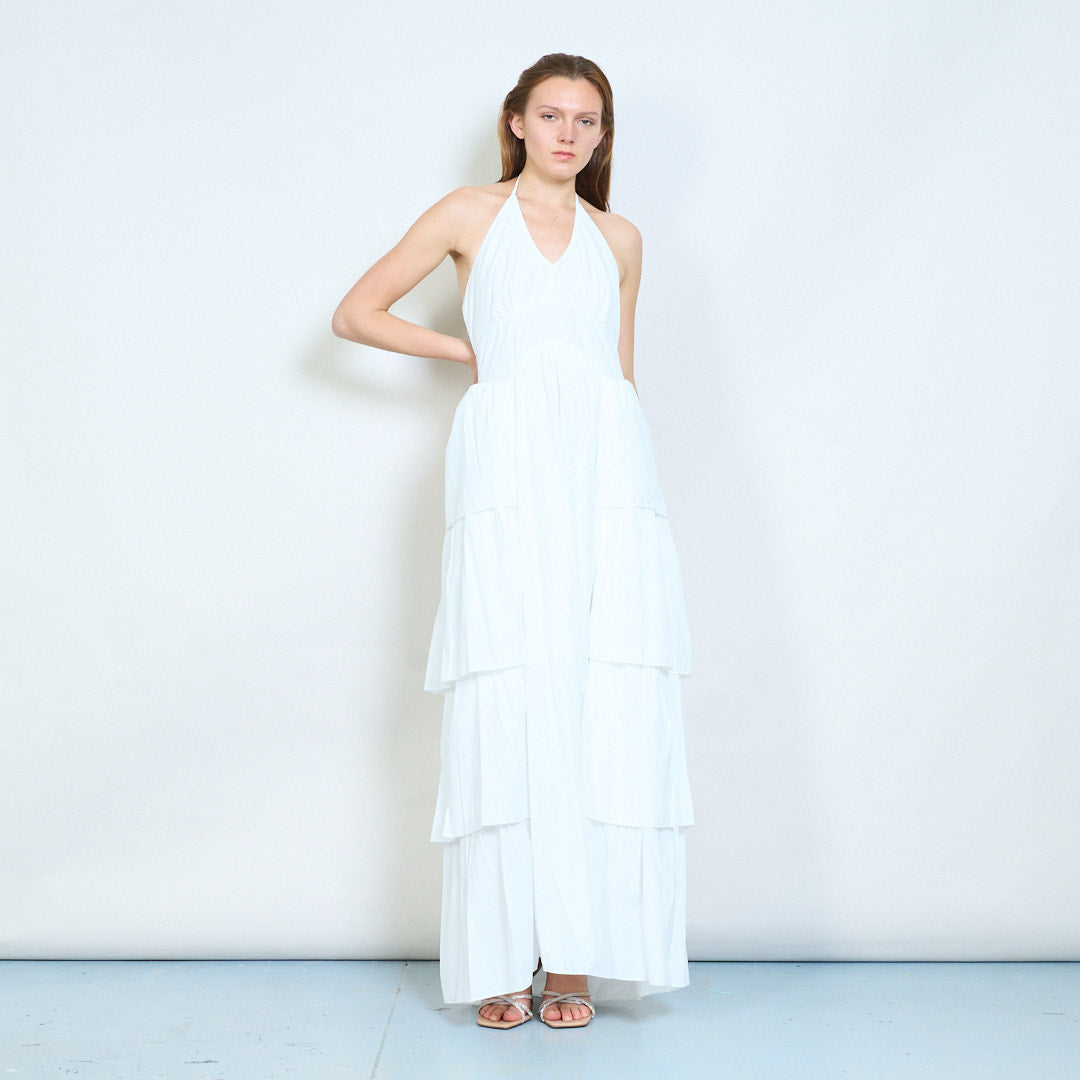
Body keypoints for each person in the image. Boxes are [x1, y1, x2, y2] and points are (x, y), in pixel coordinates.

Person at [332, 52, 693, 1030]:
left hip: (607, 474)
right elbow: (356, 314)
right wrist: (469, 349)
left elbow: (619, 374)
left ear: (602, 135)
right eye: (553, 115)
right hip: (505, 467)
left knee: (594, 692)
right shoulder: (468, 214)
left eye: (588, 120)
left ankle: (574, 960)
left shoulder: (620, 238)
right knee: (509, 684)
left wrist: (633, 502)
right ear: (518, 122)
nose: (570, 133)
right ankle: (499, 958)